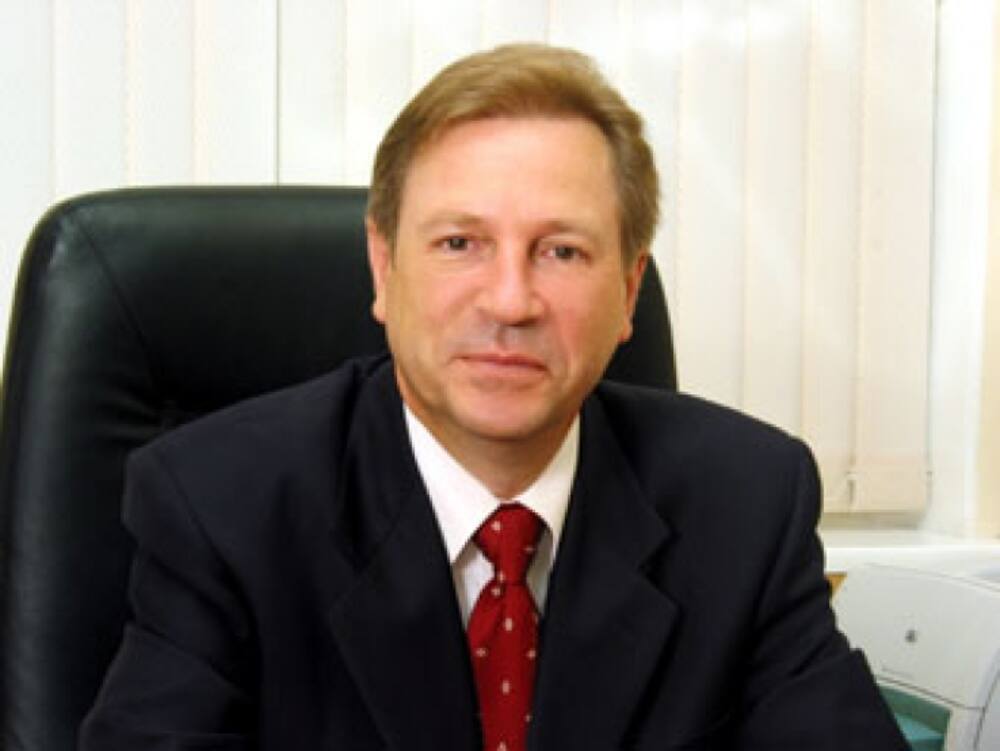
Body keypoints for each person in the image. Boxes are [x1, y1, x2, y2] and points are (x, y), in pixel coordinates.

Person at [80, 44, 906, 750]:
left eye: (561, 251)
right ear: (383, 268)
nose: (510, 300)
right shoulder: (221, 506)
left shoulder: (745, 504)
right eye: (460, 242)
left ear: (628, 290)